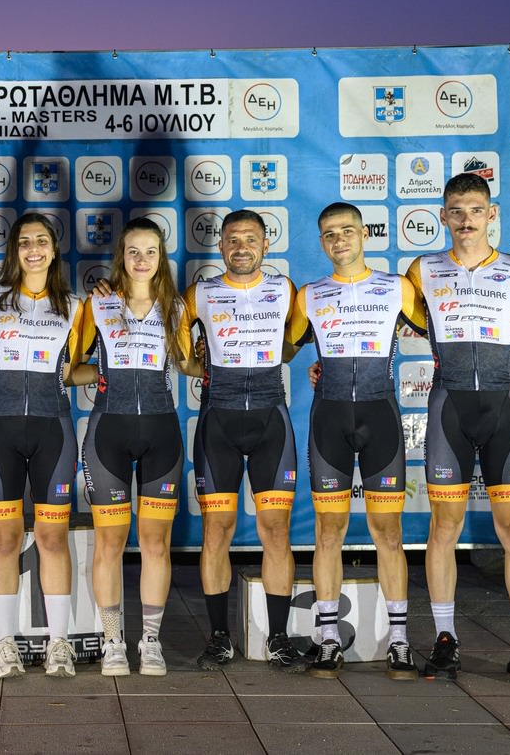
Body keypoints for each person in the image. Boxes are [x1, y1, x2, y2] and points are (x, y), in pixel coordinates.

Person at [406, 173, 510, 685]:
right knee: (444, 529)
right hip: (448, 408)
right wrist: (325, 365)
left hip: (504, 409)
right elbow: (385, 320)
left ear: (491, 214)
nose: (466, 220)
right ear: (443, 216)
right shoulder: (422, 270)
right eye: (456, 211)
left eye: (476, 210)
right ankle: (445, 639)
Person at [285, 202, 425, 680]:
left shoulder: (397, 287)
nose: (338, 240)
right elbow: (279, 348)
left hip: (380, 417)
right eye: (329, 234)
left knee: (389, 534)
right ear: (321, 242)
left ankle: (400, 641)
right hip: (329, 422)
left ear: (364, 234)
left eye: (346, 231)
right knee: (328, 532)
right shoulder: (309, 296)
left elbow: (445, 330)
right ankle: (328, 639)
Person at [0, 212, 86, 679]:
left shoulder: (76, 306)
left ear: (53, 249)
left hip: (54, 432)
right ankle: (4, 645)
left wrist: (123, 375)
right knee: (4, 538)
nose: (33, 249)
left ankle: (59, 645)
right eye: (25, 242)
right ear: (14, 250)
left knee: (52, 538)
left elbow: (74, 371)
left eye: (41, 241)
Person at [175, 209, 307, 674]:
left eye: (250, 239)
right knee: (217, 532)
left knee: (276, 532)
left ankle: (278, 638)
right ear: (221, 246)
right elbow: (178, 353)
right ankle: (218, 638)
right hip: (219, 422)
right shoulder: (200, 293)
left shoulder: (285, 290)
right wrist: (201, 365)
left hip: (271, 420)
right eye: (232, 240)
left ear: (265, 245)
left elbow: (292, 345)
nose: (241, 248)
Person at [69, 217, 184, 676]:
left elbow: (195, 363)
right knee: (110, 542)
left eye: (150, 251)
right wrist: (102, 375)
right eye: (133, 251)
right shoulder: (97, 305)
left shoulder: (178, 307)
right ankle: (113, 641)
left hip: (161, 435)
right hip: (108, 434)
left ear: (161, 258)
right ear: (122, 256)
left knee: (156, 543)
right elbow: (69, 369)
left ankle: (150, 642)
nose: (141, 260)